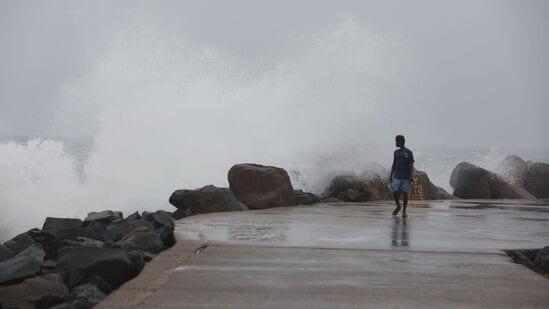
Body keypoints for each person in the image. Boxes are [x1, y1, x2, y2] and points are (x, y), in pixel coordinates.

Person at [389, 135, 414, 218]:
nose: (395, 143)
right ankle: (398, 206)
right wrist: (391, 175)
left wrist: (411, 176)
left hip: (406, 177)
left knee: (405, 194)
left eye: (396, 141)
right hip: (397, 176)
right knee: (394, 192)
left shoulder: (409, 152)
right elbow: (394, 164)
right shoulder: (396, 152)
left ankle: (404, 211)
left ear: (400, 142)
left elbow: (411, 165)